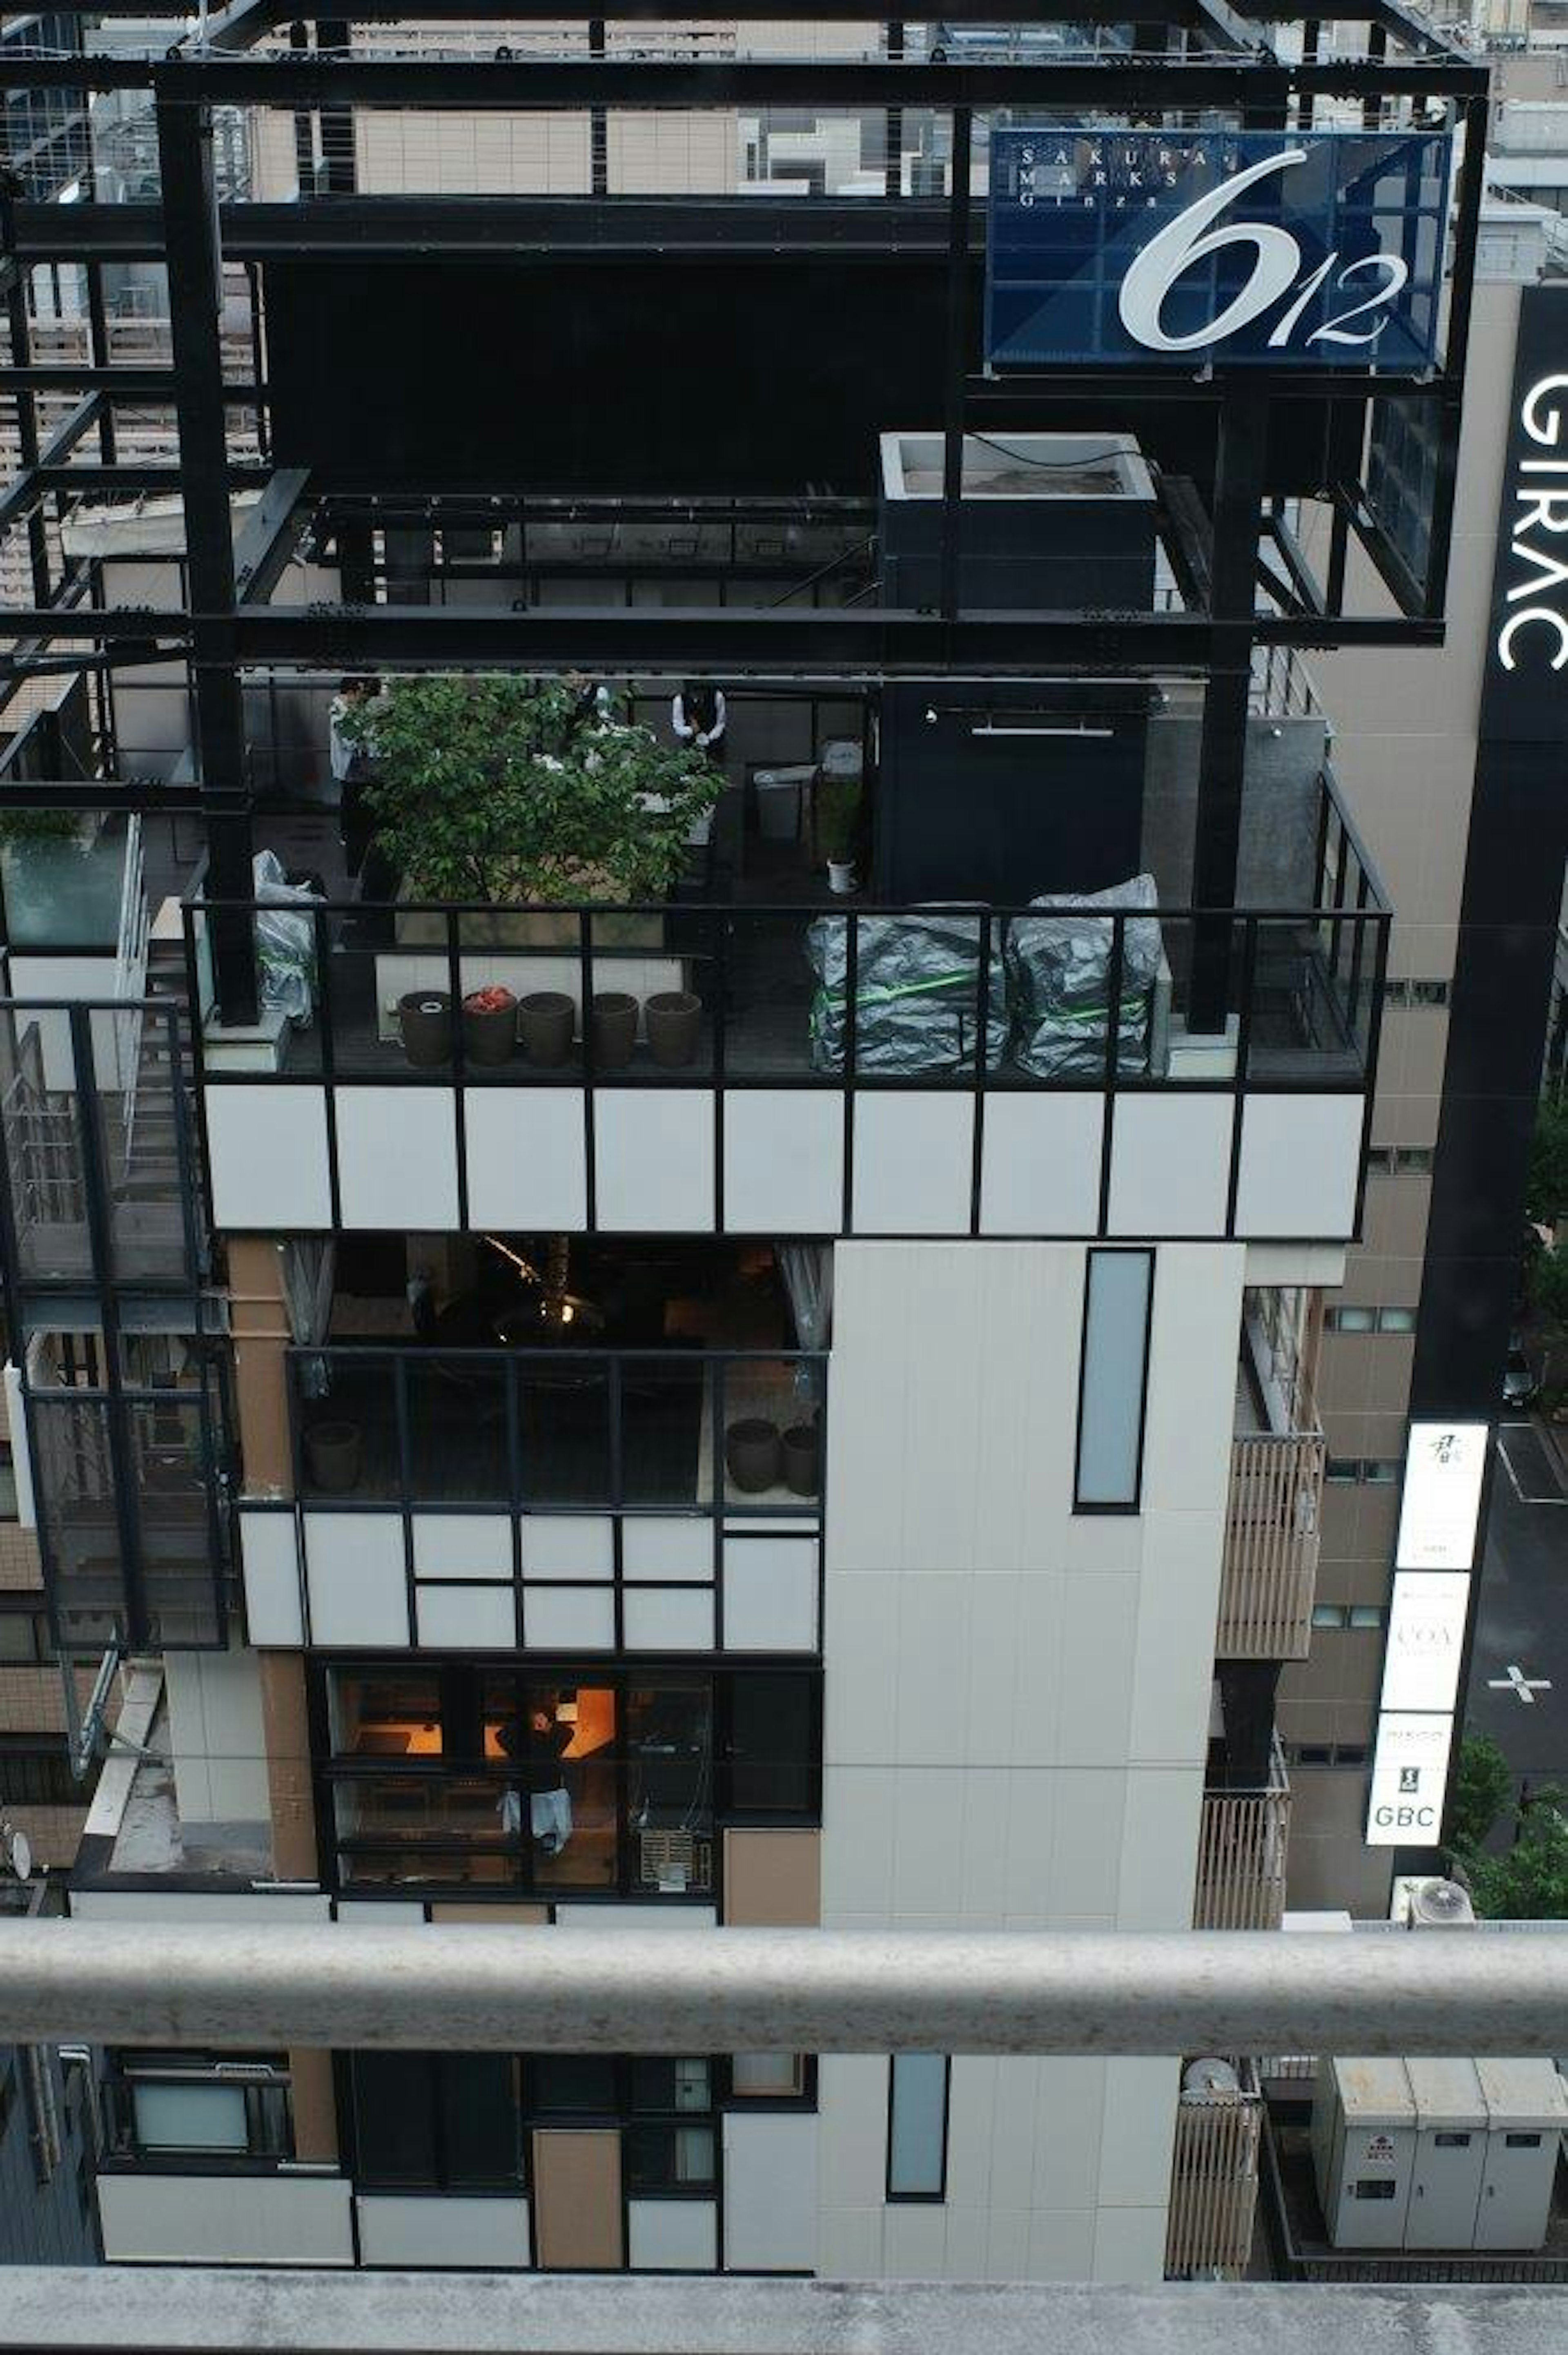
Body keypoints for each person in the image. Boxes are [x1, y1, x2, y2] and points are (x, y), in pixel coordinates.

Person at [496, 1704, 574, 1855]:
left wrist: (544, 1726)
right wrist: (534, 1725)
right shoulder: (520, 1741)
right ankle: (533, 1842)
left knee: (544, 1822)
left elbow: (568, 1733)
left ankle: (544, 1841)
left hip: (545, 1789)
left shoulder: (552, 1740)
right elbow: (501, 1735)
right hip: (528, 1789)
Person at [672, 680, 727, 770]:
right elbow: (678, 726)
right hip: (690, 748)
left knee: (714, 772)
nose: (699, 692)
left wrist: (709, 738)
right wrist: (691, 730)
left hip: (714, 747)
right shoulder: (680, 700)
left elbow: (721, 723)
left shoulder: (717, 696)